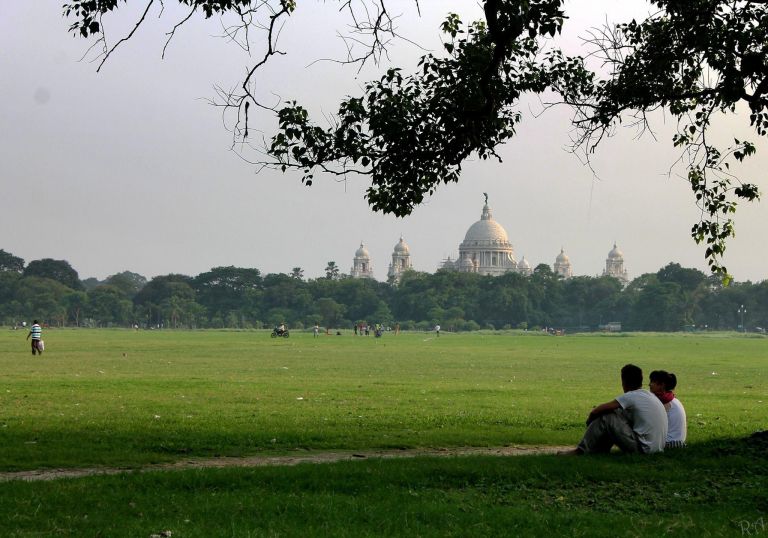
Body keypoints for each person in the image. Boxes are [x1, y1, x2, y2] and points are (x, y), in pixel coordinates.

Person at [562, 364, 667, 455]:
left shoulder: (631, 396)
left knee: (607, 417)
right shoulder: (648, 395)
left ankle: (580, 451)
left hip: (642, 449)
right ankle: (600, 450)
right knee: (616, 414)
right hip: (656, 449)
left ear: (624, 381)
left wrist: (590, 421)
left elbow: (597, 411)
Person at [649, 370, 687, 448]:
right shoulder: (672, 399)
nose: (649, 384)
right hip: (678, 442)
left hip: (669, 443)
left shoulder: (665, 403)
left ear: (662, 385)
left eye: (652, 382)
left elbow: (653, 424)